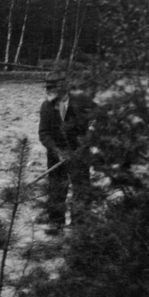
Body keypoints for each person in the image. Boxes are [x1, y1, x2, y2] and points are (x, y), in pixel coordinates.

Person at [38, 67, 94, 230]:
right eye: (47, 87)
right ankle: (56, 227)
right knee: (56, 193)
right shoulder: (46, 107)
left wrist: (91, 132)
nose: (47, 91)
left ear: (62, 87)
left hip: (80, 154)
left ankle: (79, 228)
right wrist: (58, 152)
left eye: (51, 87)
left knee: (81, 191)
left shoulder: (82, 102)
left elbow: (99, 118)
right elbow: (44, 134)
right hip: (56, 156)